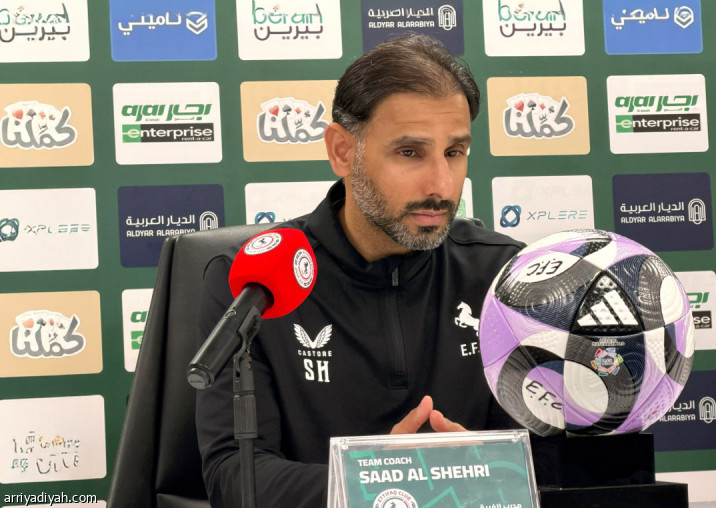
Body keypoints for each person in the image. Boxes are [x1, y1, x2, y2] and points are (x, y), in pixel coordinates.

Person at [195, 34, 524, 507]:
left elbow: (554, 454)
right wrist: (377, 481)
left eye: (454, 152)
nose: (441, 184)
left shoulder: (507, 275)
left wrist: (488, 472)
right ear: (342, 151)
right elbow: (234, 476)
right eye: (410, 152)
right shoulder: (256, 282)